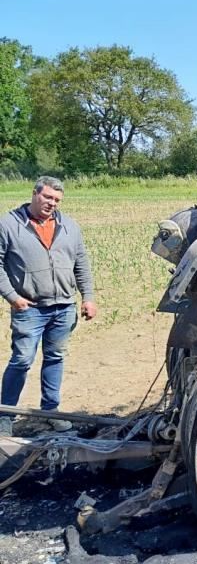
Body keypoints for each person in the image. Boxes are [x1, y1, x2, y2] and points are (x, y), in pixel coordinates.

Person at [0, 177, 97, 437]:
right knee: (21, 360)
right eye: (47, 198)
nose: (51, 203)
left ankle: (51, 413)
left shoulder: (69, 227)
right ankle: (5, 418)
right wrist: (12, 296)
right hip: (28, 308)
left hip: (63, 308)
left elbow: (81, 263)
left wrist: (88, 296)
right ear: (35, 194)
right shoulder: (8, 224)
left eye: (56, 200)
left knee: (55, 358)